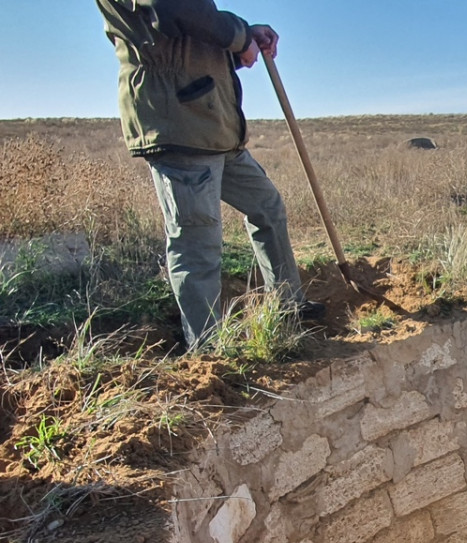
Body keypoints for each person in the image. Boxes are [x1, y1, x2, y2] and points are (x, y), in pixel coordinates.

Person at [95, 0, 324, 347]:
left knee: (267, 206)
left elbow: (185, 39)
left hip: (214, 125)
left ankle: (288, 305)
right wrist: (238, 36)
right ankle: (208, 348)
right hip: (180, 124)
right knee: (197, 242)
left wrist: (243, 39)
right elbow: (172, 10)